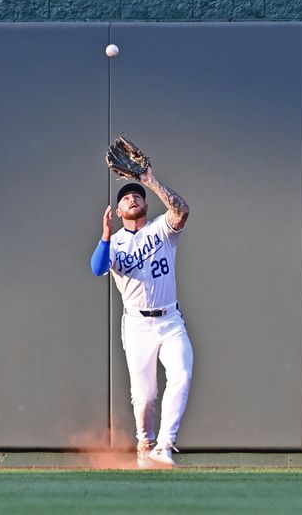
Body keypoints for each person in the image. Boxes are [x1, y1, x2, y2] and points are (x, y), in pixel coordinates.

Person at [90, 165, 192, 469]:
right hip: (136, 325)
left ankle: (164, 446)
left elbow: (182, 211)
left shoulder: (162, 229)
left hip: (170, 321)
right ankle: (145, 442)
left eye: (137, 196)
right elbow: (97, 268)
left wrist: (150, 181)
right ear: (119, 211)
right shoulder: (116, 242)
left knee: (182, 375)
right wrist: (106, 236)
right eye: (126, 198)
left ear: (146, 205)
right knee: (145, 396)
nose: (132, 198)